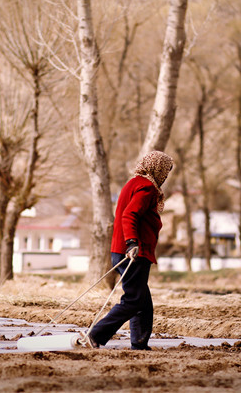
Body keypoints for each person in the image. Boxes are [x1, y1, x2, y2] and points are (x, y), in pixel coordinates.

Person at [87, 150, 174, 350]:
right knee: (134, 300)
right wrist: (132, 242)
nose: (165, 176)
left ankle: (139, 343)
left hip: (122, 249)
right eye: (165, 171)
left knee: (142, 301)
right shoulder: (146, 188)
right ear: (156, 168)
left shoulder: (133, 182)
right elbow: (130, 215)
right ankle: (96, 335)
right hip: (134, 252)